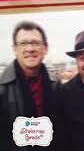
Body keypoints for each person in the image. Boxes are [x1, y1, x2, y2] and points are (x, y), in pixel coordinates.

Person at [0, 21, 61, 150]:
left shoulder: (57, 86)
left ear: (45, 48)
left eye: (35, 43)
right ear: (14, 49)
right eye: (23, 43)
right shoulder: (2, 89)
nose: (30, 49)